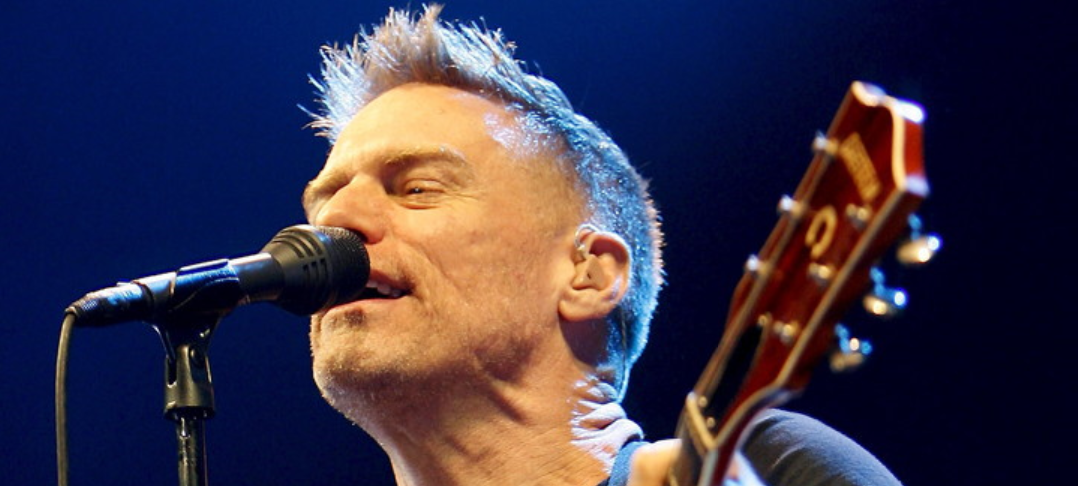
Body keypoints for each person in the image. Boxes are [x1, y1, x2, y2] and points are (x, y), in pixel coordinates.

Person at [300, 6, 901, 486]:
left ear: (588, 273)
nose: (336, 222)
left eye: (417, 188)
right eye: (325, 202)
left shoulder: (764, 467)